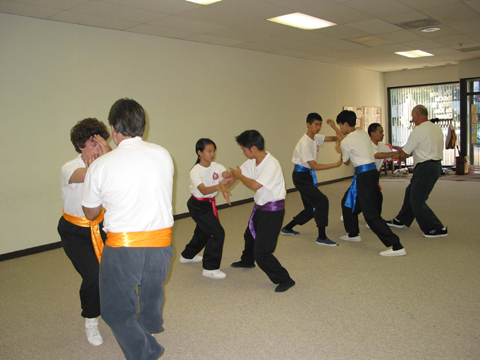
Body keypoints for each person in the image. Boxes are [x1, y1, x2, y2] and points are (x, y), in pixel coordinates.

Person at [82, 98, 174, 360]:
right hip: (162, 244)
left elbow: (91, 213)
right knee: (152, 288)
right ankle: (151, 326)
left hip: (124, 247)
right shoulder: (162, 153)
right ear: (143, 125)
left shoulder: (101, 166)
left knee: (114, 310)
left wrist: (92, 174)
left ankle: (147, 352)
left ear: (112, 129)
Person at [57, 118, 111, 346]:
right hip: (75, 231)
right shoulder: (69, 167)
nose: (97, 148)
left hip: (102, 225)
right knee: (92, 275)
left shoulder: (107, 164)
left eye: (100, 143)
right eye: (92, 143)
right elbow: (88, 175)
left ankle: (117, 311)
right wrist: (108, 159)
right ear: (80, 145)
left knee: (116, 271)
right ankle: (90, 319)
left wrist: (109, 157)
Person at [228, 130, 295, 292]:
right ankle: (247, 260)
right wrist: (226, 183)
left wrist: (238, 176)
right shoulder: (253, 162)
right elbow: (238, 174)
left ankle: (285, 279)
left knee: (262, 252)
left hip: (273, 211)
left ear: (253, 148)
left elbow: (254, 185)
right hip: (260, 207)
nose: (243, 153)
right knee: (249, 235)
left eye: (244, 150)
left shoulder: (271, 164)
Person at [332, 110, 406, 257]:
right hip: (369, 174)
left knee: (370, 215)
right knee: (347, 202)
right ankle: (353, 234)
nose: (340, 128)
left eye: (340, 125)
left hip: (364, 176)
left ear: (346, 124)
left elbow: (345, 161)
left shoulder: (347, 141)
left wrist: (340, 149)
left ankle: (396, 245)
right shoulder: (362, 133)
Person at [281, 113, 342, 246]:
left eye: (320, 124)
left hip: (307, 175)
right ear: (308, 124)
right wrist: (335, 164)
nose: (318, 127)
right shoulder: (304, 143)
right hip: (300, 177)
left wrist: (334, 127)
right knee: (322, 200)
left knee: (310, 210)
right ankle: (321, 237)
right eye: (316, 124)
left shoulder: (315, 138)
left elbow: (337, 137)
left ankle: (287, 228)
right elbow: (314, 165)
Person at [386, 105, 447, 238]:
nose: (412, 119)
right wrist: (399, 149)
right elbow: (418, 147)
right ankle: (401, 220)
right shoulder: (435, 128)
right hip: (434, 166)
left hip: (425, 167)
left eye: (413, 116)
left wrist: (391, 155)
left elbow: (406, 153)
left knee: (417, 200)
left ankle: (437, 228)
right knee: (410, 192)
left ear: (418, 115)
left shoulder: (419, 130)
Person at [180, 138, 233, 279]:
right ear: (199, 153)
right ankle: (210, 268)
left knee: (203, 232)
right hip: (198, 205)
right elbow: (203, 190)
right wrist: (220, 186)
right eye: (209, 151)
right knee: (217, 233)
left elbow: (224, 174)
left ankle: (187, 255)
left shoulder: (216, 166)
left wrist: (229, 175)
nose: (212, 154)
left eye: (213, 151)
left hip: (209, 204)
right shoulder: (195, 171)